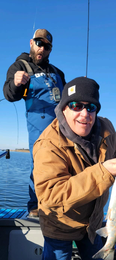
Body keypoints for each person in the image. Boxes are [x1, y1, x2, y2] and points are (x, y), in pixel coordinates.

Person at [33, 76, 116, 260]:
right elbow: (51, 194)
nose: (85, 114)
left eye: (91, 107)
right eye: (76, 106)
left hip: (93, 224)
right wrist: (103, 172)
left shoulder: (107, 128)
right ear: (64, 109)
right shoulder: (48, 144)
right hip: (60, 225)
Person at [3, 29, 66, 216]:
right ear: (31, 43)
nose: (42, 49)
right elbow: (9, 95)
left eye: (47, 47)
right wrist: (16, 83)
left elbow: (69, 99)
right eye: (39, 44)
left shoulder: (58, 72)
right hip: (38, 127)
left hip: (63, 128)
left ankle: (62, 204)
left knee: (64, 166)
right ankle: (35, 205)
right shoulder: (19, 66)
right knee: (39, 165)